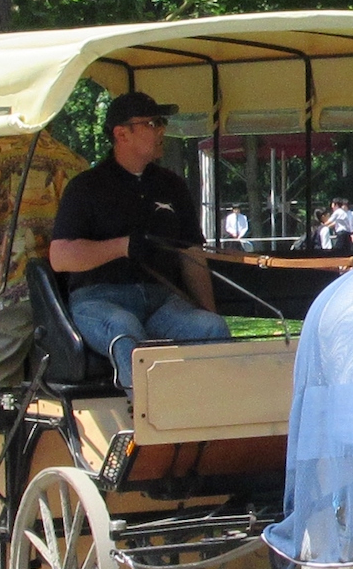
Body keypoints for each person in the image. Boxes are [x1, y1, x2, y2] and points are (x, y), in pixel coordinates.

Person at [48, 91, 230, 390]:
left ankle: (216, 419)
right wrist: (121, 246)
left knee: (211, 328)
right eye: (152, 123)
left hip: (162, 301)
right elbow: (61, 256)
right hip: (98, 300)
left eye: (161, 123)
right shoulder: (86, 187)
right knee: (124, 328)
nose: (161, 131)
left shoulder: (172, 185)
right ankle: (147, 425)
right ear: (122, 134)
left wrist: (207, 309)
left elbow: (191, 255)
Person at [0, 128, 89, 394]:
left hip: (8, 288)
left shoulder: (0, 152)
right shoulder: (73, 160)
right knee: (47, 388)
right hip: (60, 291)